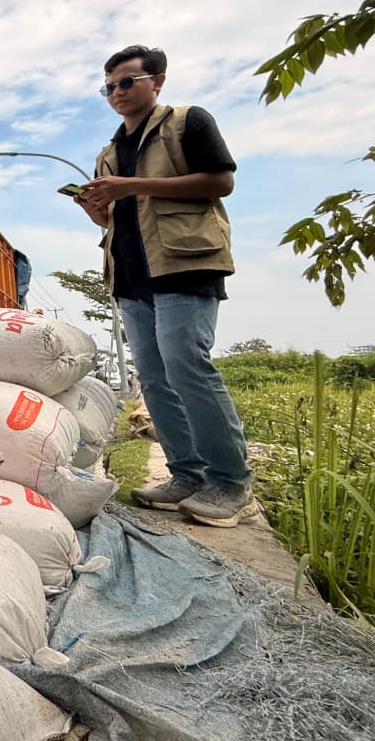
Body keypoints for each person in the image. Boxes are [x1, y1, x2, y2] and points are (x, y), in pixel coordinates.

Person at [74, 44, 254, 528]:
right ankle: (187, 475)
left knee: (187, 366)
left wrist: (132, 185)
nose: (117, 93)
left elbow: (220, 181)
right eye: (108, 87)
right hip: (131, 275)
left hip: (185, 263)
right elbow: (112, 217)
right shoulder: (108, 153)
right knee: (154, 378)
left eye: (126, 82)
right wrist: (96, 209)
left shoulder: (186, 122)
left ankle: (232, 484)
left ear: (157, 81)